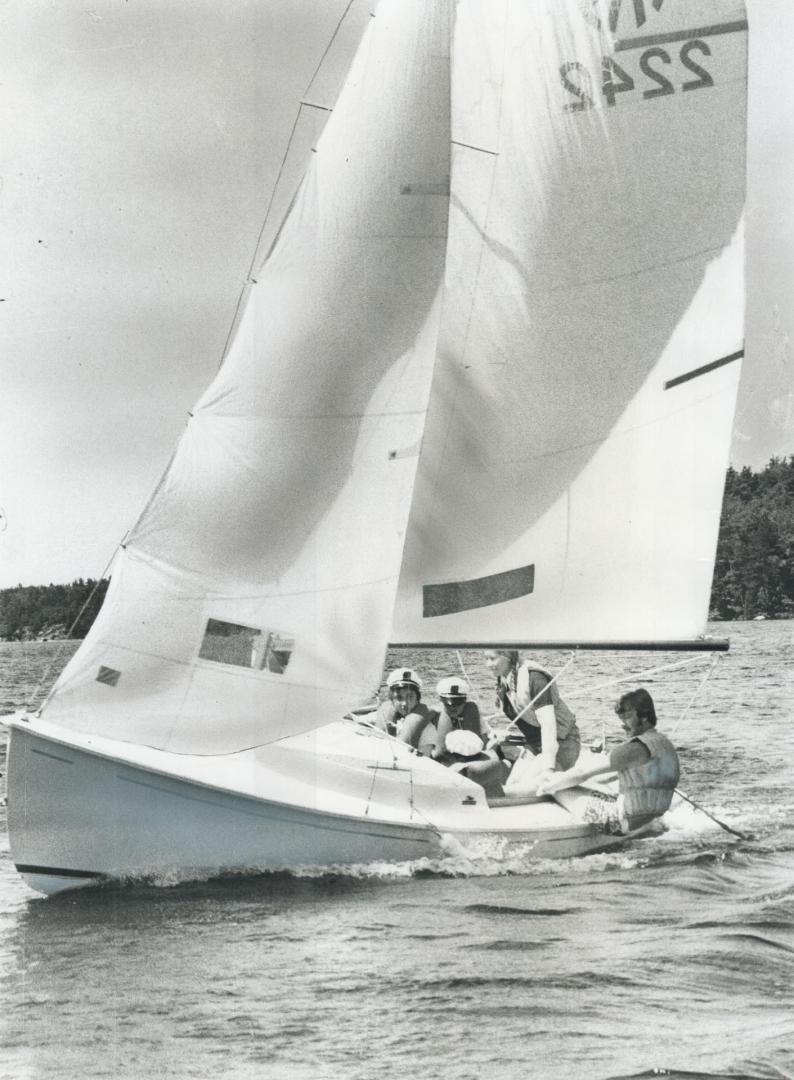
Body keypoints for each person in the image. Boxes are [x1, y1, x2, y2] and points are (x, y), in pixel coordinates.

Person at [537, 688, 681, 832]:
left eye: (627, 718)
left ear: (644, 716)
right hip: (652, 816)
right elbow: (605, 776)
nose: (622, 725)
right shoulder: (664, 743)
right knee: (576, 784)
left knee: (556, 789)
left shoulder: (634, 748)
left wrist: (548, 784)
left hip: (621, 825)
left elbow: (582, 772)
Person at [485, 649, 581, 772]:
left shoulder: (535, 678)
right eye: (486, 659)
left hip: (562, 742)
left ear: (508, 657)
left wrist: (548, 766)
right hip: (535, 742)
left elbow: (548, 726)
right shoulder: (504, 680)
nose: (488, 665)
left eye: (492, 659)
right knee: (514, 782)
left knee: (532, 786)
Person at [432, 676, 507, 796]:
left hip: (473, 762)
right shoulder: (436, 717)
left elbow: (485, 738)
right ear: (441, 701)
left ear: (464, 700)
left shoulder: (473, 715)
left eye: (458, 703)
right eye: (448, 704)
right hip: (448, 763)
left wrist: (491, 748)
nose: (453, 708)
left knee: (503, 765)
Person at [372, 668, 438, 755]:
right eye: (399, 698)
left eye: (410, 697)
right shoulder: (380, 716)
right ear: (392, 699)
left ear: (417, 699)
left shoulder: (428, 729)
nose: (404, 703)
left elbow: (426, 758)